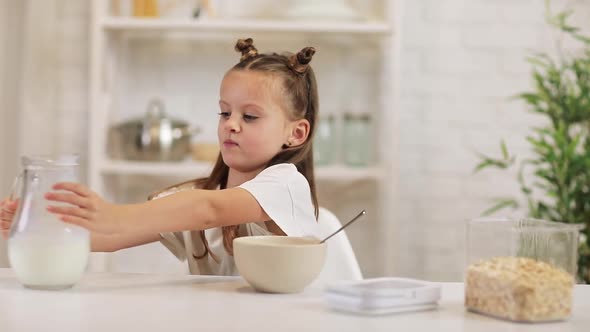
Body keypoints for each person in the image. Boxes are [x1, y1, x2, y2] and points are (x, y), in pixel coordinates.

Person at [0, 38, 321, 276]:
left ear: (295, 133)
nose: (231, 125)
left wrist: (114, 213)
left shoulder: (285, 187)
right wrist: (34, 226)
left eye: (250, 117)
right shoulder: (195, 199)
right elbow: (110, 238)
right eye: (224, 112)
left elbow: (208, 211)